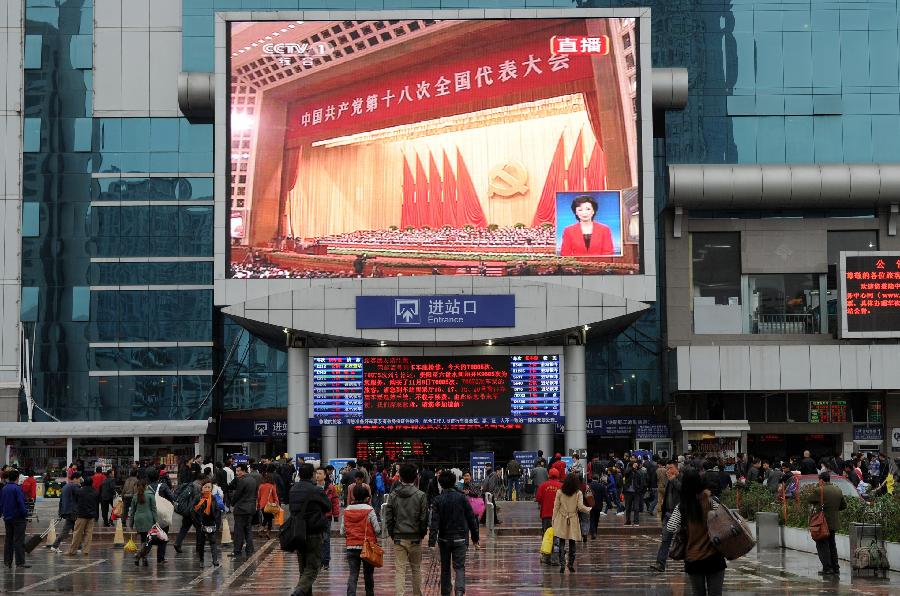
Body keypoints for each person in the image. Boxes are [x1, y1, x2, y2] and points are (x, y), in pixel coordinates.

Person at [666, 468, 726, 596]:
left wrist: (684, 529)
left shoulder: (682, 506)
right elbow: (724, 518)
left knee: (698, 593)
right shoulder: (711, 502)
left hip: (693, 558)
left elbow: (670, 527)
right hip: (714, 556)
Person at [429, 470, 480, 596]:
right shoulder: (462, 498)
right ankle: (459, 592)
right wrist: (475, 538)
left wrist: (431, 541)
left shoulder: (437, 500)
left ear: (441, 484)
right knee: (459, 567)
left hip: (444, 539)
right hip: (461, 538)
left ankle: (446, 593)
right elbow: (471, 519)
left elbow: (434, 522)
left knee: (445, 569)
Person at [385, 464, 429, 596]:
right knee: (416, 569)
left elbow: (389, 517)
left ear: (400, 477)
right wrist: (421, 533)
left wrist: (392, 533)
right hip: (415, 537)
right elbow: (424, 518)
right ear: (416, 477)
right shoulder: (421, 495)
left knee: (400, 570)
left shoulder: (393, 495)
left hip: (399, 536)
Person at [289, 463, 332, 596]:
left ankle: (303, 592)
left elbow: (292, 509)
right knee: (313, 567)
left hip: (298, 532)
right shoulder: (316, 490)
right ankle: (298, 591)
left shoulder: (293, 489)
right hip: (314, 531)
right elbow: (327, 506)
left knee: (303, 569)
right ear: (312, 475)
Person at [341, 485, 380, 596]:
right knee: (368, 574)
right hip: (367, 547)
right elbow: (377, 529)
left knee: (353, 574)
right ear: (366, 498)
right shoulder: (369, 510)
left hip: (351, 547)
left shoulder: (347, 510)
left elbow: (342, 532)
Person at [806, 471, 846, 576]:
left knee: (822, 545)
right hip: (833, 523)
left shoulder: (820, 490)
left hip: (822, 523)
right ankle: (836, 568)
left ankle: (827, 568)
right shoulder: (838, 490)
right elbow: (843, 506)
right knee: (832, 545)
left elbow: (809, 499)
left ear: (821, 480)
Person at [552, 473, 592, 573]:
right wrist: (589, 509)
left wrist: (553, 519)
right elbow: (580, 507)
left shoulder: (560, 492)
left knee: (561, 541)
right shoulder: (578, 493)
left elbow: (556, 507)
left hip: (561, 518)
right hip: (573, 518)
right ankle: (570, 564)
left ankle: (562, 564)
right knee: (572, 541)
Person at [650, 461, 681, 572]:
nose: (668, 471)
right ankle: (660, 563)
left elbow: (684, 491)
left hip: (680, 515)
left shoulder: (681, 478)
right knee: (665, 540)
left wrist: (674, 480)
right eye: (667, 468)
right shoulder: (668, 480)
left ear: (677, 468)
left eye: (671, 468)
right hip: (668, 514)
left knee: (684, 540)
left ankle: (690, 563)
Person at [191, 480, 225, 567]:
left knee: (213, 542)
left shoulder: (213, 498)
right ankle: (201, 560)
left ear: (211, 489)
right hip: (201, 523)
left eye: (209, 487)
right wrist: (197, 522)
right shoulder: (198, 498)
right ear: (201, 488)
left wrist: (217, 522)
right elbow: (193, 510)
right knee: (201, 543)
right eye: (205, 487)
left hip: (211, 522)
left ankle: (215, 560)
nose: (207, 489)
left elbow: (217, 511)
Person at [1, 469, 29, 569]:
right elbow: (21, 503)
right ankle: (20, 562)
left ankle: (7, 561)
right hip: (18, 518)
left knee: (8, 539)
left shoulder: (4, 488)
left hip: (7, 517)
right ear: (17, 478)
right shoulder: (17, 489)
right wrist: (25, 513)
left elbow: (1, 503)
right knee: (19, 540)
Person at [67, 472, 100, 557]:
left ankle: (72, 551)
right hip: (91, 516)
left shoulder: (79, 491)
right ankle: (86, 550)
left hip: (81, 515)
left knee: (77, 533)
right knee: (88, 534)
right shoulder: (96, 492)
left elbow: (76, 501)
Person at [229, 463, 259, 558]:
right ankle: (250, 549)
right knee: (248, 530)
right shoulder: (253, 480)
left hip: (241, 509)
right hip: (250, 508)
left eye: (238, 471)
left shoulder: (242, 481)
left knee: (238, 531)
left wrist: (232, 503)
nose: (237, 473)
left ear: (244, 470)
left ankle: (237, 550)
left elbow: (237, 494)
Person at [48, 472, 81, 552]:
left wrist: (60, 512)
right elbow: (80, 497)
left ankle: (79, 546)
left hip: (66, 511)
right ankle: (55, 546)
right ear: (75, 479)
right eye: (79, 479)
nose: (80, 481)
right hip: (73, 512)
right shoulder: (74, 486)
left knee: (75, 529)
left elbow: (61, 501)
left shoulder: (65, 487)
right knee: (68, 530)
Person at [315, 466, 340, 570]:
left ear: (325, 475)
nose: (317, 475)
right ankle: (317, 560)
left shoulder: (330, 487)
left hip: (326, 517)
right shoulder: (313, 487)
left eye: (320, 473)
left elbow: (335, 502)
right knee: (316, 539)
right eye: (316, 473)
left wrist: (336, 515)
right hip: (315, 517)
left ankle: (325, 561)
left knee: (325, 539)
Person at [128, 480, 157, 566]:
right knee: (149, 540)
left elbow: (132, 511)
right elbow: (154, 509)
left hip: (138, 519)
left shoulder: (135, 496)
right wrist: (156, 521)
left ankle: (143, 557)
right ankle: (140, 555)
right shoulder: (151, 495)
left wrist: (131, 523)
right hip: (148, 519)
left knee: (143, 539)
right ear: (146, 486)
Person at [257, 471, 280, 540]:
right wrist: (277, 504)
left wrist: (258, 505)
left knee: (266, 518)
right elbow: (275, 497)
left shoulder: (261, 486)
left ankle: (262, 530)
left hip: (262, 505)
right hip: (270, 505)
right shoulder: (272, 486)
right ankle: (266, 532)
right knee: (269, 519)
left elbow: (258, 497)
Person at [623, 458, 645, 526]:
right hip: (628, 491)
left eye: (636, 465)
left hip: (636, 492)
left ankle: (636, 521)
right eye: (634, 465)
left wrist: (639, 490)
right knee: (628, 507)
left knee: (636, 507)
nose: (635, 466)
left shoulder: (639, 472)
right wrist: (632, 468)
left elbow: (642, 483)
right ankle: (628, 521)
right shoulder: (628, 471)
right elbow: (625, 473)